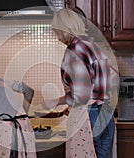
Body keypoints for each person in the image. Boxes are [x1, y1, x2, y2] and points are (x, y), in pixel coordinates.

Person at [41, 8, 119, 158]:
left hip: (88, 116)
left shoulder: (74, 51)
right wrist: (97, 96)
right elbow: (114, 77)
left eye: (56, 31)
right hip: (105, 113)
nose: (56, 36)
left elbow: (81, 95)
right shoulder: (93, 46)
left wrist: (55, 102)